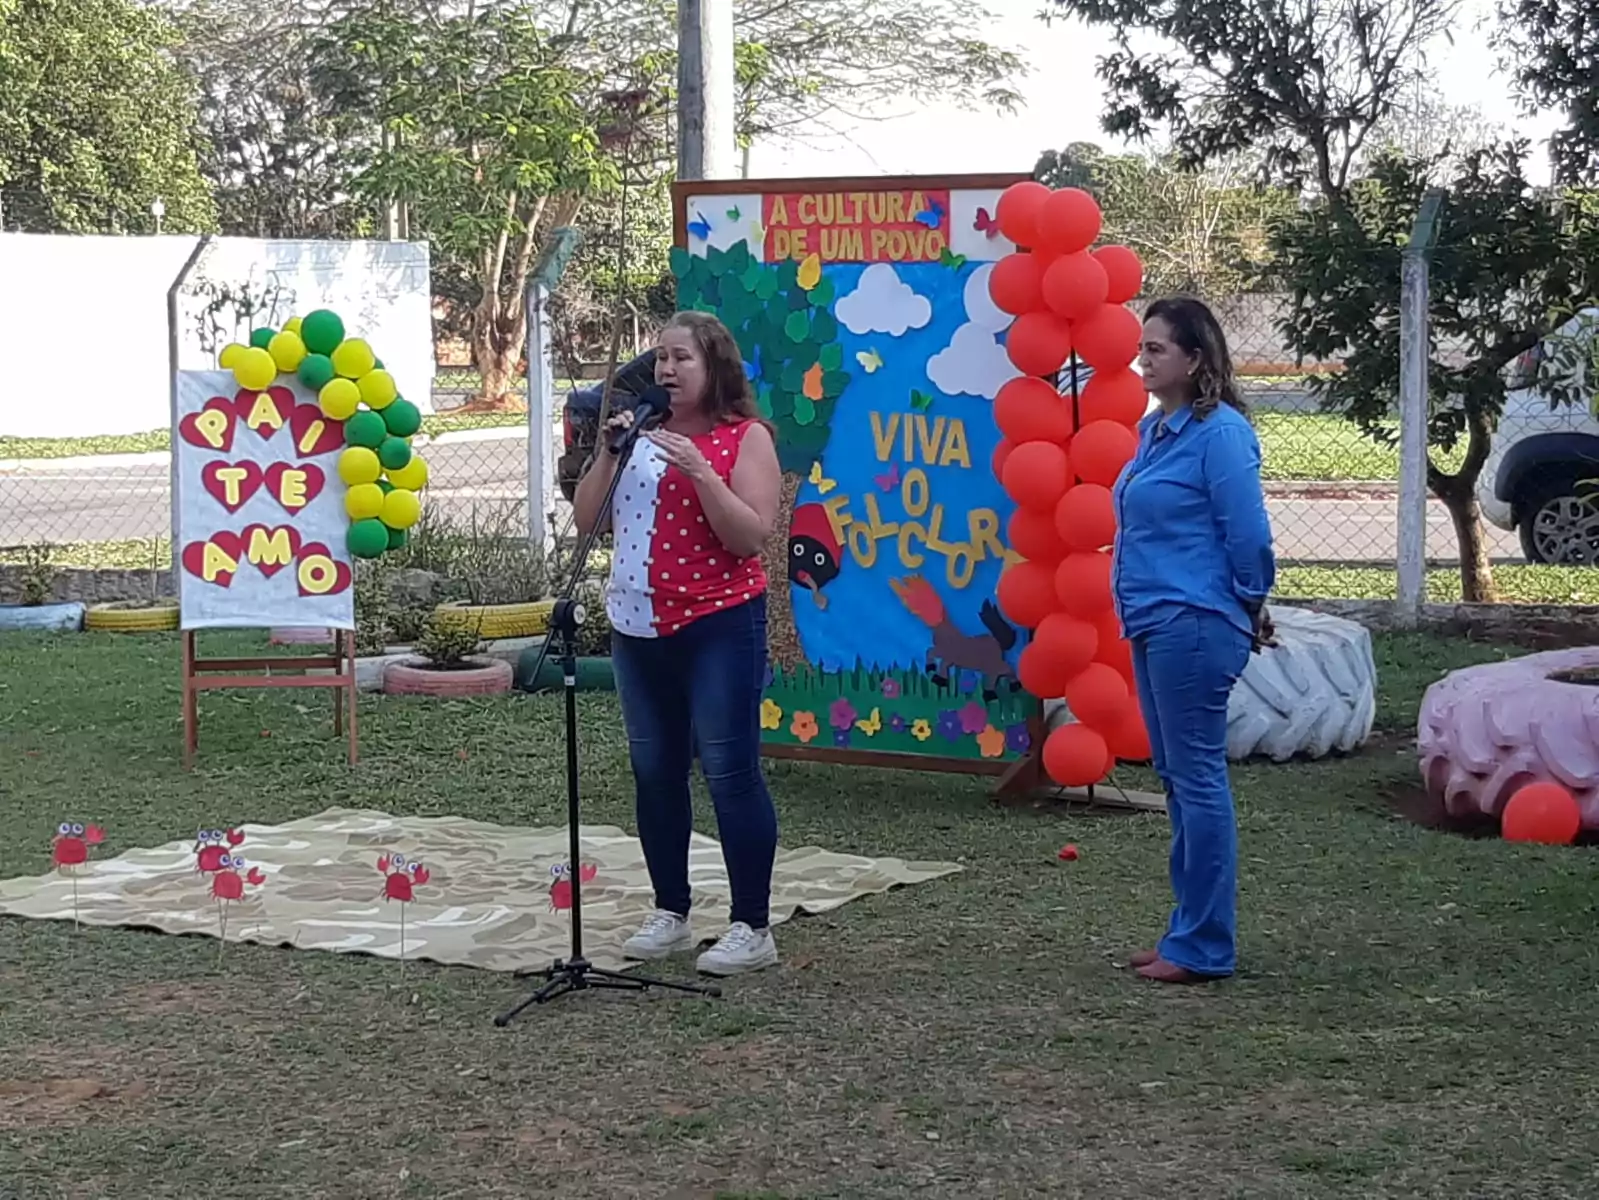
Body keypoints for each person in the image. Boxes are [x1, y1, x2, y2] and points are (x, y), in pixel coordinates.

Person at [572, 310, 784, 977]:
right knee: (654, 771)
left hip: (718, 623)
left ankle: (752, 924)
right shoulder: (638, 434)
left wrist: (699, 471)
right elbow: (587, 522)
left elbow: (749, 537)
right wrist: (609, 451)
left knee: (728, 772)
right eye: (660, 358)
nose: (665, 369)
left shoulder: (744, 438)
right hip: (637, 627)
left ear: (715, 366)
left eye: (681, 358)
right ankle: (671, 910)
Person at [1110, 296, 1278, 985]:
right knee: (1179, 779)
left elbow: (1249, 534)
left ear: (1195, 359)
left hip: (1192, 621)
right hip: (1153, 619)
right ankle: (1186, 931)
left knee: (1197, 778)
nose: (1141, 360)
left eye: (1155, 350)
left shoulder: (1220, 435)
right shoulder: (1158, 431)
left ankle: (1204, 944)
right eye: (1141, 348)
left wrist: (1248, 600)